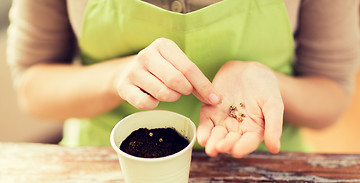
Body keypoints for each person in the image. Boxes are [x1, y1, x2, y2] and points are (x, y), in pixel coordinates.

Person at [7, 0, 360, 158]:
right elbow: (32, 88)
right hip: (104, 169)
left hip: (263, 169)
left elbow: (330, 96)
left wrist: (268, 81)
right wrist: (116, 74)